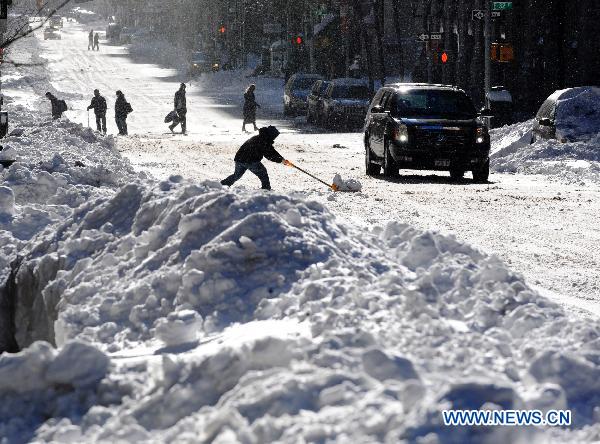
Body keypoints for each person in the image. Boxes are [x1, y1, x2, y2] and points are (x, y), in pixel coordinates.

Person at [221, 126, 289, 190]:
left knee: (236, 175)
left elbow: (272, 151)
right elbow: (269, 155)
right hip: (250, 161)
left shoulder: (260, 138)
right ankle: (266, 189)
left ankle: (222, 184)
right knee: (263, 173)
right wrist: (281, 160)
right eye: (274, 136)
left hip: (240, 160)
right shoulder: (264, 141)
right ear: (271, 135)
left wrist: (282, 159)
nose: (274, 138)